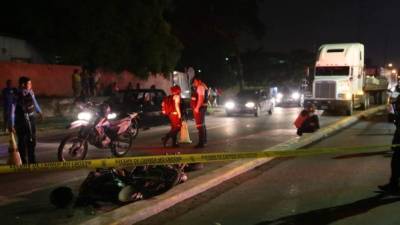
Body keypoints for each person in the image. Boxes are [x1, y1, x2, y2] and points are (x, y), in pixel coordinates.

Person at [9, 76, 43, 164]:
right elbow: (12, 110)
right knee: (22, 141)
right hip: (21, 121)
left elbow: (35, 102)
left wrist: (39, 112)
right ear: (23, 84)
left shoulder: (30, 92)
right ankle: (23, 161)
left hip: (31, 119)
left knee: (32, 139)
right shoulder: (16, 95)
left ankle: (32, 160)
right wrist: (12, 124)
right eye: (29, 83)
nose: (31, 85)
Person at [379, 93, 400, 193]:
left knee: (396, 162)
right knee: (395, 162)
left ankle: (394, 186)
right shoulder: (396, 102)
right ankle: (393, 185)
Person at [191, 77, 208, 148]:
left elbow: (201, 98)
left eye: (195, 82)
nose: (194, 83)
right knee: (202, 124)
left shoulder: (200, 87)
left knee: (200, 125)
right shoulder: (203, 86)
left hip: (200, 108)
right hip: (202, 108)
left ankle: (201, 143)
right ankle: (204, 141)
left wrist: (197, 108)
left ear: (199, 81)